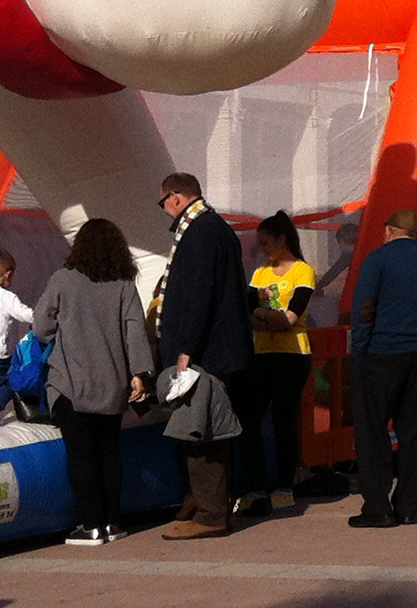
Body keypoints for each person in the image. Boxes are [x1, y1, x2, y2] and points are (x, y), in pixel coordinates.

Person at [32, 219, 152, 547]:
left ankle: (91, 526)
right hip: (112, 384)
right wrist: (140, 374)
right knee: (109, 453)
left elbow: (41, 327)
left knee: (81, 456)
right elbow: (134, 330)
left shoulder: (63, 279)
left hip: (71, 384)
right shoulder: (124, 283)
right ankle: (113, 522)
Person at [153, 172, 254, 540]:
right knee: (205, 429)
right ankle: (203, 501)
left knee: (201, 429)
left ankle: (211, 514)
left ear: (177, 198)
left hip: (204, 354)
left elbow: (198, 294)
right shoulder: (216, 229)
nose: (164, 210)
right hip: (216, 350)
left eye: (163, 202)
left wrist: (186, 348)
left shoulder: (200, 232)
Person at [348, 210, 417, 528]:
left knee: (372, 433)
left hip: (379, 355)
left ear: (389, 231)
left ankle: (378, 507)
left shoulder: (376, 261)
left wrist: (360, 353)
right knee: (414, 435)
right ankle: (408, 508)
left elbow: (364, 310)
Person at [235, 210, 316, 517]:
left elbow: (291, 318)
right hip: (261, 353)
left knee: (284, 420)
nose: (262, 249)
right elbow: (249, 310)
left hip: (292, 356)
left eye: (266, 242)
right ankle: (257, 487)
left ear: (282, 239)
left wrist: (264, 316)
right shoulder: (259, 273)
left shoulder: (303, 271)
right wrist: (269, 318)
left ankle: (284, 486)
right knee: (250, 420)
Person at [0, 248, 34, 416]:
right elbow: (26, 314)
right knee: (10, 381)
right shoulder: (6, 297)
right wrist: (47, 316)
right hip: (0, 357)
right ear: (8, 275)